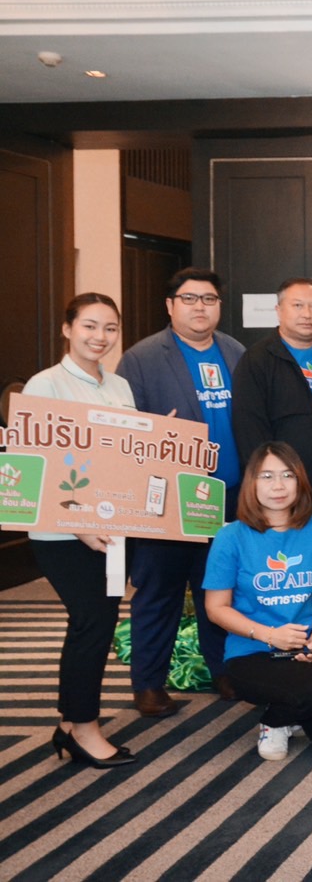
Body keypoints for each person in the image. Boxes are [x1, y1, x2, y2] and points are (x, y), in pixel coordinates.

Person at [117, 267, 244, 715]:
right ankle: (148, 684)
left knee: (221, 587)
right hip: (167, 499)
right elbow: (123, 432)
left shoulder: (235, 352)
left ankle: (225, 671)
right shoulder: (141, 358)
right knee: (159, 591)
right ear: (170, 305)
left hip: (228, 496)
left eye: (209, 299)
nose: (199, 307)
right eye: (189, 299)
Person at [25, 293, 138, 767]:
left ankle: (70, 724)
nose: (100, 336)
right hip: (63, 534)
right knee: (91, 621)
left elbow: (122, 458)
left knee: (98, 622)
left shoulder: (120, 386)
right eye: (90, 326)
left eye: (110, 328)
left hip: (112, 530)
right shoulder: (45, 385)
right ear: (67, 329)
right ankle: (85, 729)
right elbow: (37, 464)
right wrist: (78, 526)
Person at [202, 443, 312, 761]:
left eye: (287, 475)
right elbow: (215, 608)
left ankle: (297, 708)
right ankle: (275, 720)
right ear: (252, 483)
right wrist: (269, 635)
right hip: (253, 649)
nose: (278, 486)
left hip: (310, 645)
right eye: (267, 476)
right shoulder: (231, 536)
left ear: (300, 481)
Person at [232, 277, 312, 548]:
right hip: (286, 493)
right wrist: (268, 486)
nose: (307, 314)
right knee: (294, 563)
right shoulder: (256, 361)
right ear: (279, 311)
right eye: (298, 305)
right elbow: (249, 432)